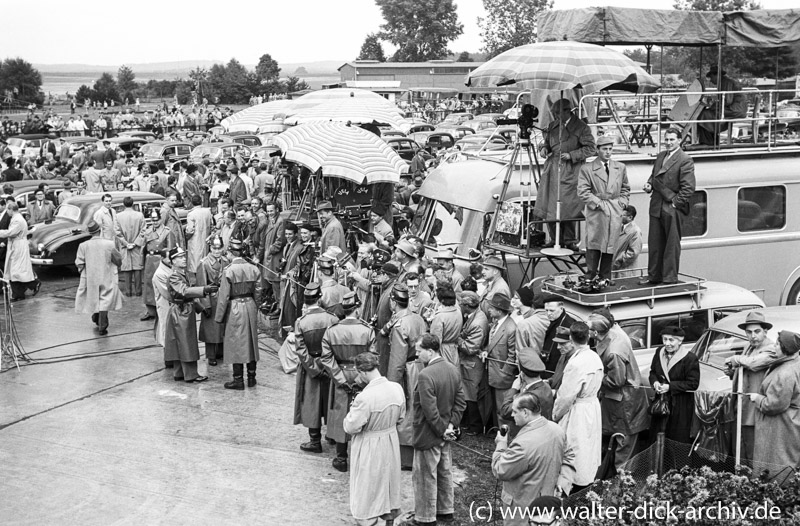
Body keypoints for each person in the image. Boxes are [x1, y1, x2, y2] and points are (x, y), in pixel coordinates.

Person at [408, 333, 466, 526]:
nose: (416, 355)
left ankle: (425, 517)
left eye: (419, 351)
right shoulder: (452, 368)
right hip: (445, 433)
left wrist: (442, 430)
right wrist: (450, 427)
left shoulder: (425, 375)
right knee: (444, 472)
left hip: (428, 433)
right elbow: (460, 402)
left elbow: (429, 410)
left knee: (425, 475)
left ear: (430, 351)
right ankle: (445, 511)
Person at [492, 392, 575, 525]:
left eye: (514, 411)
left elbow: (500, 470)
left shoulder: (523, 444)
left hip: (521, 511)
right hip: (548, 507)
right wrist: (563, 485)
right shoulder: (557, 430)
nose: (512, 415)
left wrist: (501, 444)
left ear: (525, 412)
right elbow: (569, 456)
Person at [343, 352, 406, 526]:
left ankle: (367, 520)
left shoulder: (365, 397)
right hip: (390, 441)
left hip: (369, 444)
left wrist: (351, 411)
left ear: (362, 372)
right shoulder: (396, 388)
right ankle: (389, 519)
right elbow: (401, 417)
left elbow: (351, 426)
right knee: (389, 482)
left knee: (367, 485)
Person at [319, 291, 377, 472]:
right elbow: (373, 358)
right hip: (363, 375)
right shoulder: (367, 331)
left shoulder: (332, 331)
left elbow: (326, 358)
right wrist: (360, 379)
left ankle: (341, 457)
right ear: (357, 308)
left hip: (340, 374)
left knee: (340, 413)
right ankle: (361, 457)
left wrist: (340, 379)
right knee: (363, 413)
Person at [588, 309, 650, 470]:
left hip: (626, 403)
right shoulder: (611, 336)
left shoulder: (614, 351)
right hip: (618, 401)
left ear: (595, 332)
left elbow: (616, 380)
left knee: (624, 445)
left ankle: (623, 482)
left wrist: (595, 375)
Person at [533, 99, 596, 250]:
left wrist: (572, 155)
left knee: (568, 207)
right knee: (550, 205)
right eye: (554, 113)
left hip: (571, 170)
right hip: (552, 170)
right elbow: (545, 143)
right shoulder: (553, 126)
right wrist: (543, 149)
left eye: (558, 113)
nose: (555, 116)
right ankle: (554, 239)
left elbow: (591, 148)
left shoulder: (581, 127)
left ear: (568, 111)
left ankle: (569, 240)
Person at [639, 128, 696, 286]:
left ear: (679, 140)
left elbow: (688, 188)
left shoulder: (685, 160)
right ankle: (654, 276)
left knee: (671, 245)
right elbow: (654, 174)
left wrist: (674, 204)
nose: (668, 143)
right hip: (656, 204)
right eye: (667, 139)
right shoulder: (661, 156)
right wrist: (649, 184)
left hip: (671, 207)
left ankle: (669, 278)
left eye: (672, 139)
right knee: (655, 243)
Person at [552, 322, 603, 493]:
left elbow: (566, 396)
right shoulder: (595, 357)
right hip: (592, 406)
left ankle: (574, 484)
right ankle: (585, 481)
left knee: (575, 445)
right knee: (587, 445)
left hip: (579, 409)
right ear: (588, 337)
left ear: (571, 340)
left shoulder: (576, 364)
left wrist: (556, 415)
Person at [724, 311, 778, 464]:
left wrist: (735, 359)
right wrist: (731, 372)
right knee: (739, 451)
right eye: (749, 332)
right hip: (741, 408)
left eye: (757, 331)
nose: (753, 335)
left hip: (757, 411)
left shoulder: (772, 348)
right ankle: (741, 480)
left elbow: (754, 363)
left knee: (754, 453)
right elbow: (745, 369)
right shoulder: (749, 346)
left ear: (765, 331)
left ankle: (755, 483)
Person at [748, 330, 800, 482]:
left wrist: (757, 398)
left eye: (777, 344)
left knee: (777, 460)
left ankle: (775, 494)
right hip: (791, 423)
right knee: (788, 458)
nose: (774, 347)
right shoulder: (794, 363)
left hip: (780, 427)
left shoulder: (785, 373)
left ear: (786, 349)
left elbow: (774, 405)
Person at [294, 282, 340, 452]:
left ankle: (314, 441)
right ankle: (333, 434)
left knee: (311, 402)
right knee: (331, 400)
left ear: (306, 302)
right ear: (319, 298)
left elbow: (300, 349)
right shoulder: (332, 318)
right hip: (330, 365)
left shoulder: (301, 322)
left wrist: (313, 368)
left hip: (310, 365)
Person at [386, 282, 428, 470]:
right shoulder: (418, 318)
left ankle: (405, 457)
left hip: (407, 369)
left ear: (394, 303)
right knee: (418, 408)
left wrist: (392, 387)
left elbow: (397, 360)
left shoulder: (399, 324)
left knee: (406, 410)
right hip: (422, 366)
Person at [577, 135, 630, 281]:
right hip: (597, 212)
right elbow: (583, 192)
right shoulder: (587, 169)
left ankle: (605, 276)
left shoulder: (620, 167)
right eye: (605, 149)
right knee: (594, 242)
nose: (608, 152)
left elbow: (625, 188)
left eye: (610, 149)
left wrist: (622, 203)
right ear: (597, 150)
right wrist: (598, 203)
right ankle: (591, 275)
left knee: (610, 244)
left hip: (614, 209)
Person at [163, 246, 216, 383]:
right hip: (182, 312)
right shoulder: (175, 275)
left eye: (183, 256)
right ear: (173, 261)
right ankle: (191, 374)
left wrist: (201, 307)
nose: (183, 259)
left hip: (182, 310)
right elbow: (184, 292)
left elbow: (188, 296)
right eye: (179, 257)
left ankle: (179, 372)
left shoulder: (181, 273)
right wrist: (204, 290)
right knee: (187, 343)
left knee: (179, 343)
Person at [215, 238, 261, 389]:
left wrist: (219, 317)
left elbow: (223, 297)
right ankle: (252, 378)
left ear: (230, 252)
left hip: (235, 307)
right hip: (251, 305)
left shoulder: (228, 270)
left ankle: (238, 379)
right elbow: (259, 292)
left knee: (236, 343)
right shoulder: (254, 268)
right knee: (252, 341)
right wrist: (256, 307)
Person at [649, 326, 700, 444]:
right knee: (657, 436)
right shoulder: (659, 352)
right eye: (665, 339)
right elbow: (653, 372)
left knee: (677, 439)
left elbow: (693, 384)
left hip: (680, 405)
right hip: (661, 403)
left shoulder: (690, 358)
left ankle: (679, 463)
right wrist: (655, 383)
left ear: (680, 341)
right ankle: (658, 462)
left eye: (671, 340)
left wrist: (670, 387)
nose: (667, 343)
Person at [74, 219, 121, 335]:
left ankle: (96, 317)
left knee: (94, 297)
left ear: (90, 233)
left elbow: (79, 263)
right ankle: (102, 325)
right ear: (100, 230)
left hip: (90, 277)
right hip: (106, 275)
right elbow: (118, 259)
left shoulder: (83, 246)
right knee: (105, 299)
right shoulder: (109, 244)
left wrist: (84, 271)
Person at [481, 292, 518, 428]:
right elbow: (491, 344)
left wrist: (504, 373)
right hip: (493, 374)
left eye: (491, 308)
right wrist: (485, 351)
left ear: (499, 310)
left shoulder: (510, 328)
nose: (489, 310)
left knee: (503, 410)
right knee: (496, 408)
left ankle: (505, 437)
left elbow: (512, 356)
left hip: (502, 378)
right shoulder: (496, 323)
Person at [457, 290, 489, 435]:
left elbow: (471, 348)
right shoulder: (475, 315)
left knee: (471, 395)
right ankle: (470, 424)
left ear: (467, 306)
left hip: (472, 363)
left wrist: (456, 339)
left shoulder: (477, 322)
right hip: (469, 363)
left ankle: (475, 426)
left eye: (461, 304)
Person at [500, 352, 554, 439]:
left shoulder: (529, 397)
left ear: (522, 374)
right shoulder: (546, 386)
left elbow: (505, 411)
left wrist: (514, 388)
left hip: (524, 437)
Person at [196, 236, 229, 366]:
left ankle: (221, 351)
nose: (216, 251)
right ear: (210, 248)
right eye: (214, 248)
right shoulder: (204, 263)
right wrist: (205, 305)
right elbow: (201, 286)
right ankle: (210, 355)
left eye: (219, 248)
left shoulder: (226, 261)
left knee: (222, 326)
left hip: (223, 297)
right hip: (211, 298)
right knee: (211, 329)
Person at [698, 66, 747, 147]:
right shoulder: (724, 82)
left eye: (711, 77)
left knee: (704, 114)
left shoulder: (726, 82)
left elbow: (727, 100)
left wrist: (713, 105)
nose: (711, 80)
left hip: (736, 109)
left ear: (717, 75)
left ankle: (708, 142)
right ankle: (710, 140)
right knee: (707, 113)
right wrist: (714, 104)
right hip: (734, 108)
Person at [0, 202, 40, 301]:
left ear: (10, 209)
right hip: (16, 245)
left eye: (8, 211)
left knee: (16, 271)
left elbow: (11, 232)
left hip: (18, 246)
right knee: (15, 271)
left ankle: (33, 284)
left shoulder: (17, 220)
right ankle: (19, 294)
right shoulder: (17, 218)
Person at [141, 209, 170, 321]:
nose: (155, 222)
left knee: (161, 284)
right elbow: (143, 247)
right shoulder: (148, 231)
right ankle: (150, 310)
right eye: (152, 220)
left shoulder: (166, 231)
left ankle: (161, 309)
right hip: (149, 259)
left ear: (160, 219)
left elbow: (170, 248)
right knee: (148, 285)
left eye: (156, 220)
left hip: (161, 260)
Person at [541, 295, 576, 386]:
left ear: (561, 308)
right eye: (546, 310)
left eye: (552, 310)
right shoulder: (555, 320)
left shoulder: (568, 324)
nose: (548, 313)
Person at [114, 196, 145, 296]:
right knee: (137, 268)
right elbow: (143, 231)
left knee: (126, 269)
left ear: (123, 204)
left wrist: (126, 243)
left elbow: (117, 232)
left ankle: (128, 292)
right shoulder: (139, 215)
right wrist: (136, 242)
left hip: (125, 246)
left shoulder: (118, 216)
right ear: (133, 204)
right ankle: (138, 291)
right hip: (137, 246)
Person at [429, 282, 463, 366]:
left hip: (443, 351)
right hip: (454, 350)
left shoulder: (440, 316)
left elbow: (435, 341)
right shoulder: (458, 311)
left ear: (441, 300)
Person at [184, 195, 213, 285]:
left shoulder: (191, 214)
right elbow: (211, 225)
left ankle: (198, 284)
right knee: (205, 260)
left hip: (195, 242)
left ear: (192, 202)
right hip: (206, 240)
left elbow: (190, 230)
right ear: (201, 201)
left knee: (195, 264)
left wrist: (186, 237)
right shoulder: (207, 212)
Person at [612, 205, 642, 278]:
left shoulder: (635, 231)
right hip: (618, 270)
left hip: (625, 272)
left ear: (630, 217)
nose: (619, 216)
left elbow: (633, 253)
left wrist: (618, 261)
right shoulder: (620, 228)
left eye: (622, 215)